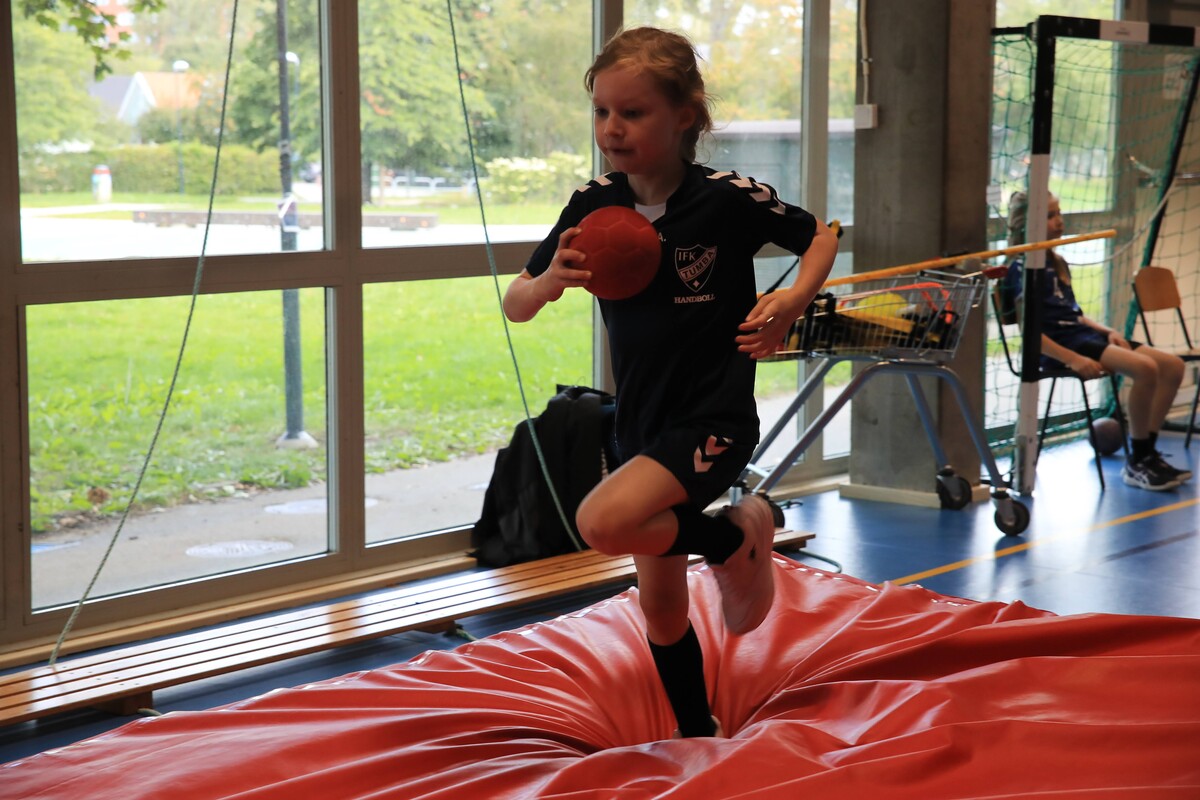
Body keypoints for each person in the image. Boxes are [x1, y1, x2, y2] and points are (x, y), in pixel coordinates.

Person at [503, 27, 838, 738]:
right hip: (641, 426)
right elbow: (516, 302)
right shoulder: (593, 204)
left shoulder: (724, 199)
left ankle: (730, 541)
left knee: (601, 521)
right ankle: (698, 731)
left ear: (684, 115)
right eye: (601, 112)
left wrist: (790, 300)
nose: (612, 129)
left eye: (632, 113)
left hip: (713, 419)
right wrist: (551, 280)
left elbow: (821, 234)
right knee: (660, 606)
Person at [1005, 191, 1190, 491]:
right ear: (1026, 224)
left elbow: (1075, 315)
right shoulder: (1020, 269)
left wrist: (1107, 331)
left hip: (1081, 335)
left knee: (1173, 367)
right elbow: (1031, 335)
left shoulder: (1057, 262)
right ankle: (1137, 462)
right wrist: (1072, 359)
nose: (1059, 221)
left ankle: (1147, 453)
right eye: (1049, 216)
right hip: (1061, 346)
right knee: (1146, 369)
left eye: (1059, 213)